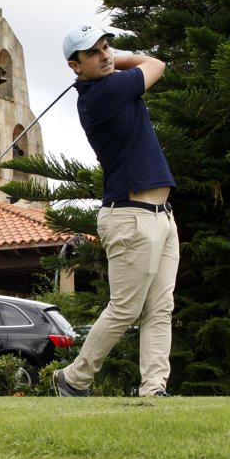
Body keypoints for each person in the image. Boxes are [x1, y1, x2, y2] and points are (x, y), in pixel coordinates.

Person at [54, 22, 180, 398]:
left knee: (160, 308)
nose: (105, 54)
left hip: (160, 215)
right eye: (93, 52)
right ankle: (74, 379)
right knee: (125, 309)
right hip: (130, 215)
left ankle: (153, 389)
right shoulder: (104, 93)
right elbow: (155, 63)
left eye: (106, 46)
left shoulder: (104, 85)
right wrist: (118, 62)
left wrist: (106, 61)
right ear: (75, 66)